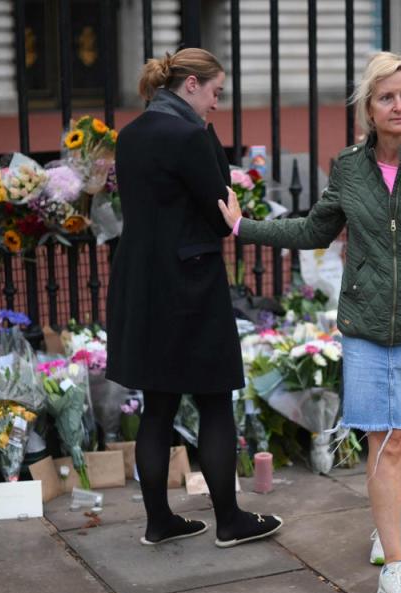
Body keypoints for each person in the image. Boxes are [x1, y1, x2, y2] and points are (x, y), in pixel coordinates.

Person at [219, 52, 401, 593]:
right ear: (368, 107)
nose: (399, 105)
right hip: (364, 325)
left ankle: (391, 524)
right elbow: (314, 228)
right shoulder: (349, 168)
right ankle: (396, 568)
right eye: (387, 96)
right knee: (384, 442)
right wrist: (244, 226)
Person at [106, 48, 282, 548]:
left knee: (157, 404)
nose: (216, 105)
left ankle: (159, 521)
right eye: (215, 93)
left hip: (141, 279)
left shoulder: (133, 132)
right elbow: (221, 213)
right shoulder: (190, 135)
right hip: (191, 279)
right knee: (214, 400)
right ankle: (230, 520)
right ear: (189, 85)